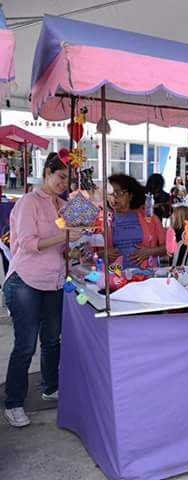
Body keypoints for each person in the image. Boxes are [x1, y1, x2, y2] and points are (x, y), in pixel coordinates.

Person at [3, 152, 82, 428]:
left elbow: (64, 246)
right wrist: (66, 235)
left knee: (51, 340)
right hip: (26, 280)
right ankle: (13, 402)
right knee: (25, 345)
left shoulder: (64, 206)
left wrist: (76, 242)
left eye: (68, 180)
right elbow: (26, 243)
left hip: (55, 281)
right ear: (47, 171)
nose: (64, 183)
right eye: (61, 177)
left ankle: (51, 387)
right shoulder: (28, 202)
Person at [105, 174, 166, 269]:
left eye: (119, 193)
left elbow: (167, 248)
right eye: (110, 193)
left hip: (146, 277)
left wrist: (149, 252)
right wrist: (103, 253)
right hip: (116, 277)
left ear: (130, 195)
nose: (114, 197)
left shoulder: (150, 218)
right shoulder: (104, 221)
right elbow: (89, 253)